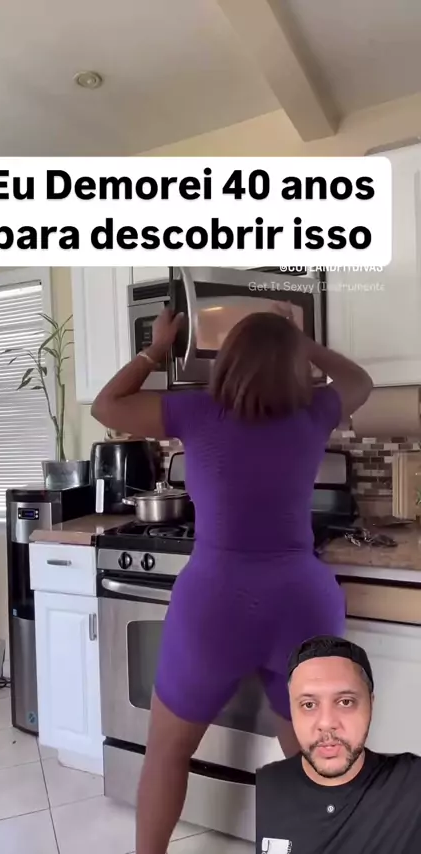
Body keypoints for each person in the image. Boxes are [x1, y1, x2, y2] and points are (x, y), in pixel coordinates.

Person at [91, 303, 373, 854]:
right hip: (301, 604)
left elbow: (107, 406)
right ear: (294, 365)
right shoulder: (315, 412)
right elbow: (360, 380)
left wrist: (156, 349)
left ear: (228, 362)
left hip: (214, 603)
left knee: (168, 752)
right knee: (315, 763)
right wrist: (303, 343)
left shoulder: (197, 411)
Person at [256, 635, 421, 853]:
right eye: (308, 704)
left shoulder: (412, 787)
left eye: (345, 702)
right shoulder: (262, 790)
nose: (326, 723)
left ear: (371, 705)